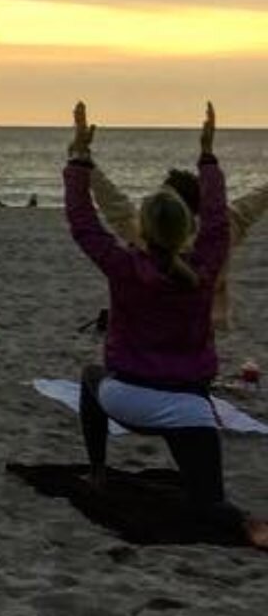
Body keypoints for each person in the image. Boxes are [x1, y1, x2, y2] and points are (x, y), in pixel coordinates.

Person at [65, 102, 267, 548]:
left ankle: (97, 472)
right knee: (211, 505)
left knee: (90, 377)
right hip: (189, 407)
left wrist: (80, 159)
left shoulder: (125, 265)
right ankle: (250, 525)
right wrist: (208, 154)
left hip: (127, 398)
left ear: (145, 229)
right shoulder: (207, 264)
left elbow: (84, 223)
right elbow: (219, 220)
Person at [89, 150, 266, 335]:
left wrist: (84, 164)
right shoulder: (220, 230)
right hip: (208, 325)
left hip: (155, 328)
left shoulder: (149, 232)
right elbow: (254, 202)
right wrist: (208, 161)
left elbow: (114, 206)